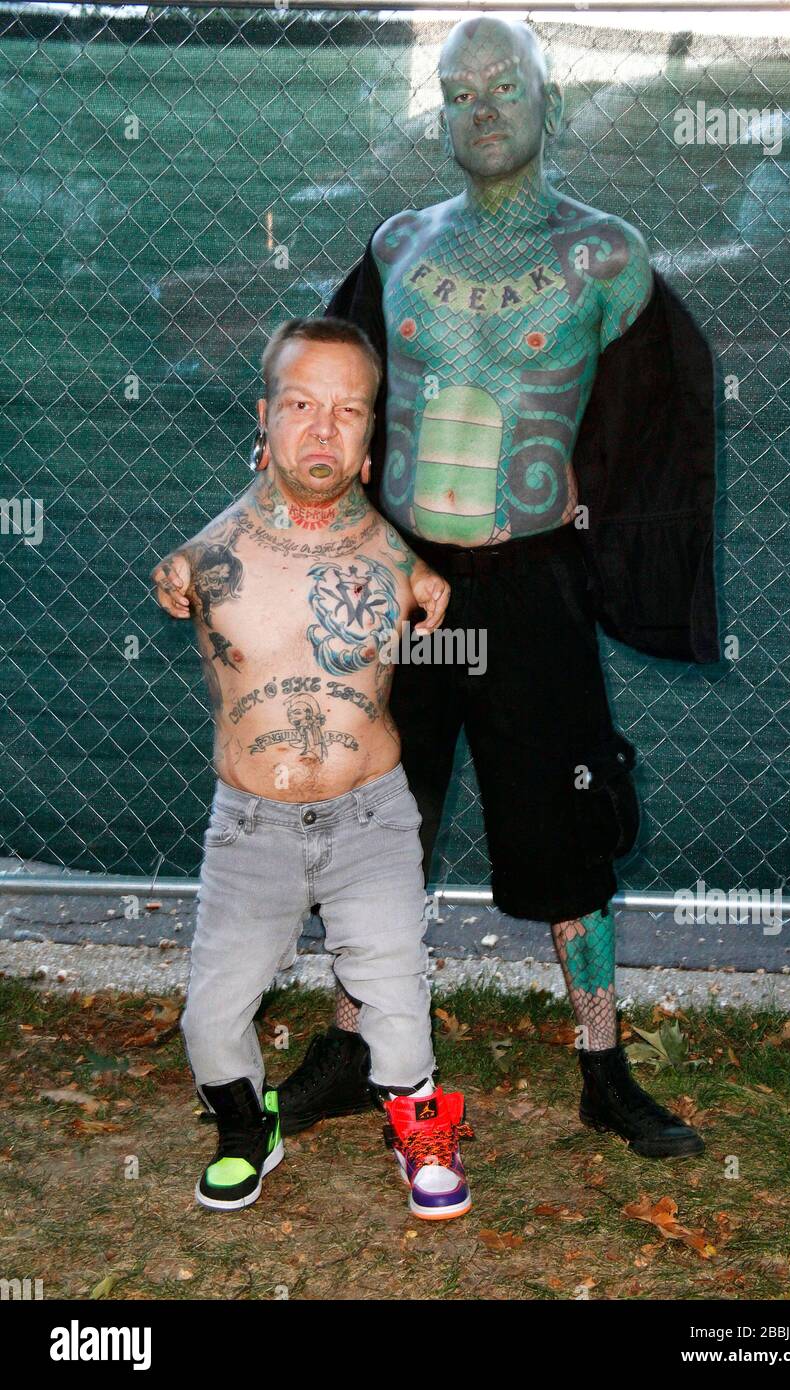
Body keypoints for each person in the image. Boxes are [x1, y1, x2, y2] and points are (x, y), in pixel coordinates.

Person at [279, 17, 721, 1159]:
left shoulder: (606, 261)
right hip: (410, 591)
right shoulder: (395, 247)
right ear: (439, 114)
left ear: (548, 103)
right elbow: (334, 404)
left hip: (529, 596)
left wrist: (606, 549)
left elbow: (652, 420)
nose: (481, 107)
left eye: (503, 86)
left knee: (568, 826)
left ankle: (602, 1065)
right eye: (457, 90)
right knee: (376, 819)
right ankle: (345, 1045)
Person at [151, 317, 474, 1219]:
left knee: (396, 999)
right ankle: (249, 1126)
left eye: (349, 411)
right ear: (265, 418)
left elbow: (395, 556)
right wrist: (170, 577)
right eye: (302, 404)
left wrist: (426, 579)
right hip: (252, 826)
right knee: (211, 1022)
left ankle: (418, 1129)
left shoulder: (389, 548)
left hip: (370, 817)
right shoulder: (209, 557)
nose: (324, 428)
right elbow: (181, 569)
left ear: (371, 441)